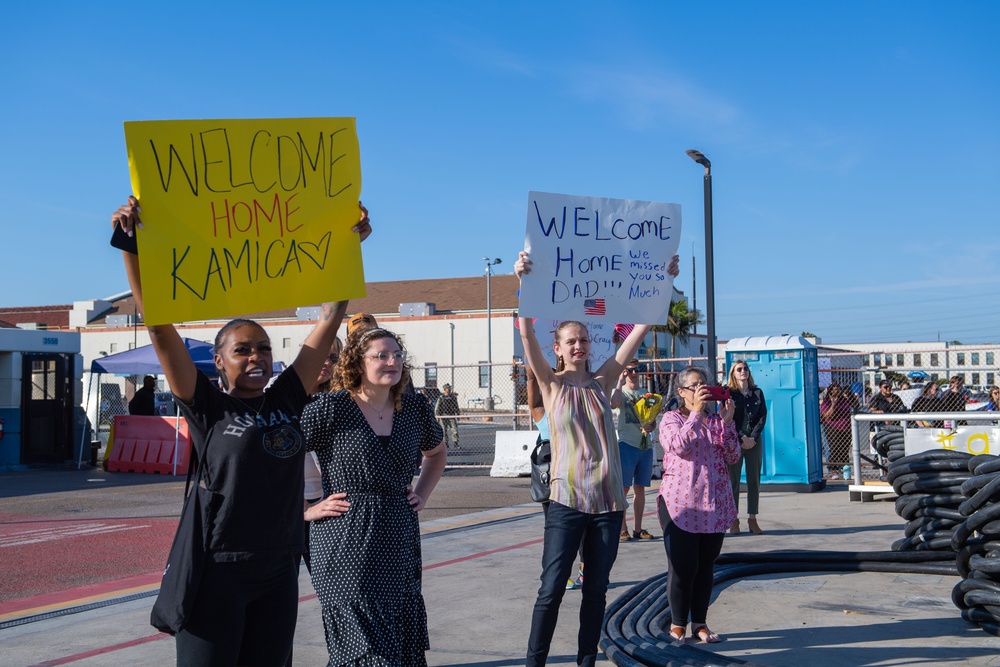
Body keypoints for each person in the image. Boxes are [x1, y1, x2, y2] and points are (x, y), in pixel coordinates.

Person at [110, 195, 371, 666]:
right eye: (243, 350)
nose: (257, 358)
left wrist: (349, 247)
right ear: (221, 360)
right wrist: (130, 247)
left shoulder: (288, 395)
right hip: (216, 573)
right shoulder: (208, 406)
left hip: (278, 570)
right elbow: (160, 329)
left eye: (265, 349)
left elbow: (330, 318)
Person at [516, 250, 679, 667]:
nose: (578, 346)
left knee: (596, 590)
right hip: (566, 500)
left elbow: (638, 332)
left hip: (608, 503)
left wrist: (662, 280)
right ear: (558, 347)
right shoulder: (551, 386)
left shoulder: (604, 379)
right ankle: (535, 661)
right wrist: (525, 283)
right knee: (551, 587)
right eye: (571, 340)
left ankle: (586, 659)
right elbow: (526, 337)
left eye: (584, 340)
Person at [301, 327, 446, 667]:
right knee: (363, 651)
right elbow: (276, 457)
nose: (392, 361)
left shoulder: (413, 407)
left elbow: (436, 454)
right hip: (344, 542)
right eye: (381, 355)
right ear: (356, 363)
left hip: (397, 540)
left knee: (397, 648)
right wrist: (306, 509)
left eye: (397, 355)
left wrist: (421, 494)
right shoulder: (330, 408)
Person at [658, 365, 739, 644]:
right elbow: (679, 446)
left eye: (704, 384)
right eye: (694, 385)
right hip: (680, 505)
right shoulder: (671, 419)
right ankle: (678, 624)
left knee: (706, 566)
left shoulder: (716, 421)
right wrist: (695, 415)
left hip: (714, 505)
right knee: (683, 566)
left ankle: (700, 623)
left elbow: (732, 455)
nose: (701, 389)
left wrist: (728, 423)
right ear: (681, 392)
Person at [610, 358, 658, 541]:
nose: (634, 373)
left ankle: (638, 529)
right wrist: (619, 381)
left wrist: (650, 426)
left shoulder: (645, 393)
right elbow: (614, 404)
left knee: (640, 488)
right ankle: (622, 528)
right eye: (629, 370)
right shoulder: (621, 392)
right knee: (624, 488)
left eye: (636, 370)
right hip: (627, 444)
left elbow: (652, 420)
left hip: (645, 444)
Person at [726, 361, 767, 535]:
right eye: (739, 369)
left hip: (754, 441)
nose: (743, 372)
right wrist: (742, 437)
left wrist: (752, 438)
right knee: (733, 481)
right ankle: (733, 519)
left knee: (754, 480)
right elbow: (728, 419)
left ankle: (752, 518)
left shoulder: (757, 393)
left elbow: (762, 416)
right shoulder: (728, 394)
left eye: (746, 369)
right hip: (735, 441)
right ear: (733, 374)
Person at [819, 384, 853, 474]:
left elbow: (853, 408)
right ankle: (833, 470)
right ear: (830, 391)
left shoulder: (844, 400)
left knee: (845, 449)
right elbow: (827, 415)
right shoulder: (826, 401)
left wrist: (850, 397)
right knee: (834, 448)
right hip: (832, 427)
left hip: (846, 427)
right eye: (834, 389)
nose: (837, 391)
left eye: (838, 389)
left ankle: (846, 470)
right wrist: (833, 404)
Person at [434, 383, 461, 449]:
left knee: (455, 429)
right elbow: (437, 407)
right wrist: (437, 416)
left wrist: (458, 413)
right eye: (447, 388)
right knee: (444, 430)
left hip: (451, 415)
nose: (449, 389)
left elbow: (456, 406)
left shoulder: (453, 397)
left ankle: (456, 443)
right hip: (443, 416)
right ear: (445, 389)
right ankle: (445, 443)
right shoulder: (441, 398)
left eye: (449, 388)